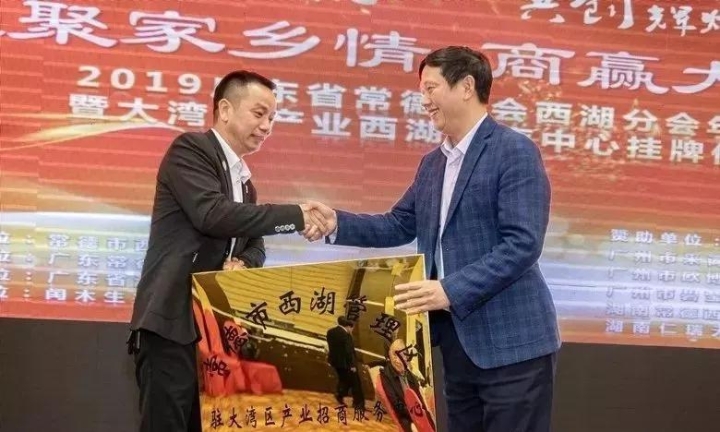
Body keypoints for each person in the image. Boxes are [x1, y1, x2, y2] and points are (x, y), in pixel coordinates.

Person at [304, 46, 561, 432]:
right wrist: (336, 222)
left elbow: (522, 244)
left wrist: (449, 290)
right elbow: (397, 224)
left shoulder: (513, 151)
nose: (423, 100)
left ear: (466, 87)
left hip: (514, 344)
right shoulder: (432, 164)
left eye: (430, 88)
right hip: (458, 345)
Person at [127, 70, 324, 432]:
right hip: (172, 325)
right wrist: (298, 215)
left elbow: (255, 243)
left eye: (273, 118)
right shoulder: (190, 150)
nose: (267, 126)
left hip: (214, 336)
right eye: (259, 114)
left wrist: (244, 263)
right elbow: (212, 215)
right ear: (225, 109)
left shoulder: (245, 184)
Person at [325, 316, 365, 409]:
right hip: (346, 363)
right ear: (348, 326)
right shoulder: (346, 335)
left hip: (335, 361)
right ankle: (358, 404)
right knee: (355, 382)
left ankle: (340, 394)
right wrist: (352, 365)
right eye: (352, 328)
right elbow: (348, 351)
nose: (352, 330)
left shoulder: (330, 332)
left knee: (344, 380)